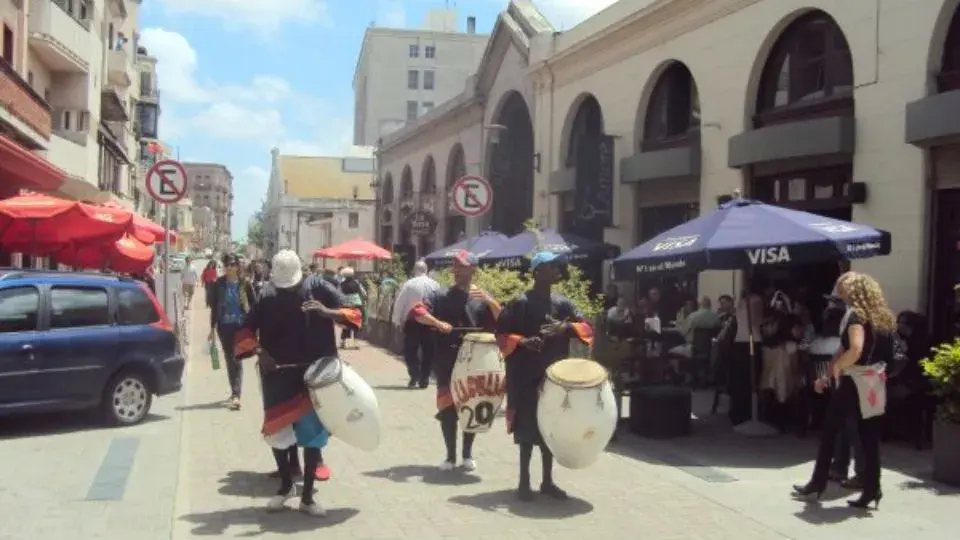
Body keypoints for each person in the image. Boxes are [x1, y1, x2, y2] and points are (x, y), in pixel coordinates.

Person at [233, 250, 362, 516]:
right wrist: (259, 351)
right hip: (277, 377)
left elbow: (355, 313)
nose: (288, 290)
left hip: (313, 376)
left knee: (312, 435)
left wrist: (326, 312)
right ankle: (286, 486)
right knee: (276, 433)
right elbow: (245, 331)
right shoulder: (267, 294)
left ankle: (307, 498)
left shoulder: (319, 286)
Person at [495, 252, 594, 501]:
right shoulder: (520, 302)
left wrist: (566, 327)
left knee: (550, 430)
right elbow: (500, 335)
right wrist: (524, 341)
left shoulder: (564, 304)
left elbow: (587, 329)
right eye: (551, 267)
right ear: (538, 271)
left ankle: (548, 481)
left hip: (555, 377)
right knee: (527, 431)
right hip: (527, 376)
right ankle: (523, 482)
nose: (556, 270)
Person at [793, 272, 895, 510]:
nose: (840, 293)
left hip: (853, 379)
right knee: (870, 437)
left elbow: (854, 349)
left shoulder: (855, 316)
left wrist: (838, 368)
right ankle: (872, 489)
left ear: (854, 291)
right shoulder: (882, 317)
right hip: (875, 379)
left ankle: (817, 483)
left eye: (842, 288)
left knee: (830, 431)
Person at [407, 251, 501, 471]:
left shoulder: (481, 298)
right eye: (456, 267)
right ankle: (450, 456)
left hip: (476, 360)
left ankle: (467, 454)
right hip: (447, 358)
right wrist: (438, 323)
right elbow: (417, 312)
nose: (458, 271)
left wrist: (490, 300)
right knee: (448, 408)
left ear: (473, 270)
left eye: (463, 267)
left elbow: (502, 319)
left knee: (471, 404)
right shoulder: (440, 295)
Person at [208, 253, 256, 410]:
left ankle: (236, 394)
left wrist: (255, 326)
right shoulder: (219, 284)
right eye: (227, 265)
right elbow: (214, 307)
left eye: (232, 265)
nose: (229, 268)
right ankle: (234, 392)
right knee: (229, 359)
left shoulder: (245, 283)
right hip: (224, 326)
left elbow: (255, 305)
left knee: (237, 358)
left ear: (237, 266)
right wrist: (212, 328)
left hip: (240, 326)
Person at [392, 260, 442, 388]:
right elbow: (440, 302)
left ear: (415, 270)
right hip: (430, 321)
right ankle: (424, 378)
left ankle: (415, 374)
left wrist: (397, 320)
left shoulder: (409, 284)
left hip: (413, 322)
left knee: (410, 351)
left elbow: (400, 303)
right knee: (428, 351)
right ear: (426, 270)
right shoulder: (436, 285)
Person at [338, 266, 367, 349]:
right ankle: (356, 343)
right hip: (356, 304)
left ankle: (343, 342)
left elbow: (339, 293)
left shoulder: (342, 284)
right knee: (357, 323)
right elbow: (363, 293)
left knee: (346, 323)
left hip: (345, 305)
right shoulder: (357, 283)